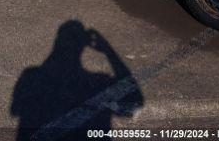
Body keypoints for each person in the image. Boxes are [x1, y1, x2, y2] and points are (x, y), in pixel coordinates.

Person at [11, 20, 143, 141]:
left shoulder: (31, 76)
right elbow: (134, 104)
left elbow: (15, 110)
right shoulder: (99, 82)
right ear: (83, 45)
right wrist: (109, 51)